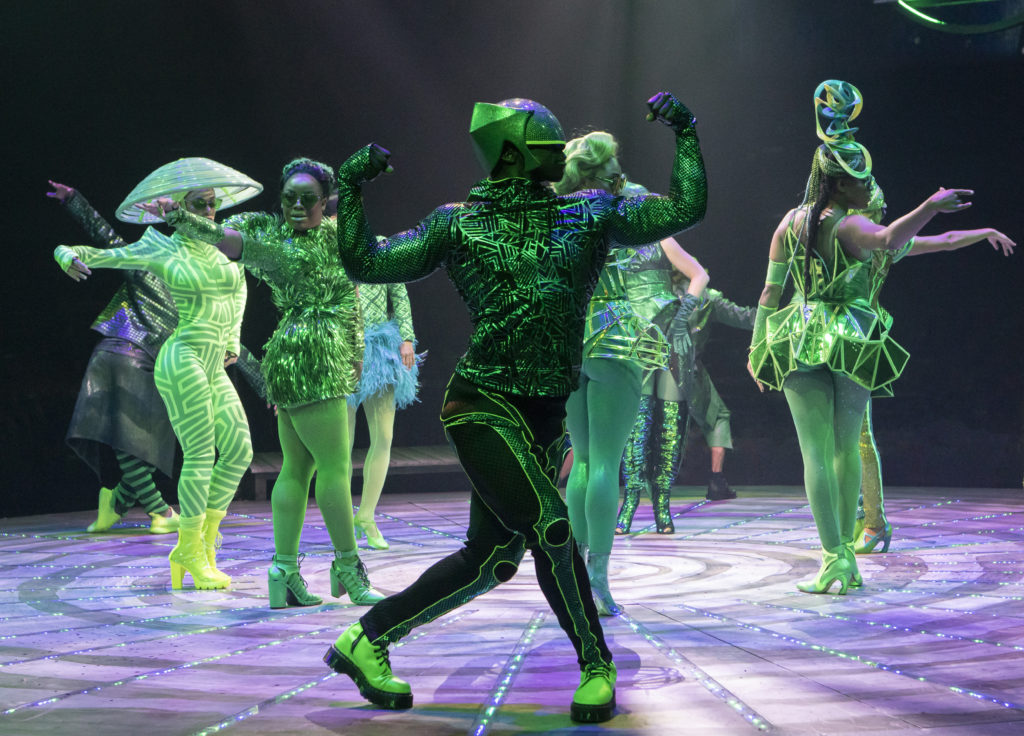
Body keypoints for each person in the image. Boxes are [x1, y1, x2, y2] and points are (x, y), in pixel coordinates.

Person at [325, 91, 707, 724]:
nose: (563, 152)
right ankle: (596, 665)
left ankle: (365, 641)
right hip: (481, 404)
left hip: (544, 416)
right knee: (552, 527)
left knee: (493, 559)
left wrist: (686, 133)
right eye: (549, 142)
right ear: (514, 154)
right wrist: (351, 188)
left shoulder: (589, 212)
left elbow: (686, 209)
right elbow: (366, 262)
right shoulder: (459, 222)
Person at [748, 80, 977, 594]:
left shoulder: (790, 222)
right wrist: (931, 204)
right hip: (849, 336)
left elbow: (769, 294)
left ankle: (835, 555)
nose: (869, 186)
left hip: (799, 334)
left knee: (818, 452)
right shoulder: (850, 227)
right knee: (845, 448)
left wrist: (757, 347)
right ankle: (843, 555)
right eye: (861, 181)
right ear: (838, 186)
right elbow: (892, 238)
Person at [148, 158, 383, 609]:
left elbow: (353, 296)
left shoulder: (325, 235)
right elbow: (225, 237)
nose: (296, 206)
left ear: (324, 202)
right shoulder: (285, 245)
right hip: (315, 353)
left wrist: (356, 354)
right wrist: (182, 217)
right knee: (334, 468)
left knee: (298, 467)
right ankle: (349, 571)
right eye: (289, 198)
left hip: (291, 355)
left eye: (307, 199)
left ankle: (285, 572)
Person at [54, 158, 260, 590]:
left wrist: (231, 340)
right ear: (177, 209)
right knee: (201, 453)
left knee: (239, 450)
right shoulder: (161, 248)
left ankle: (202, 541)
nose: (208, 212)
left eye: (212, 205)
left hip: (212, 359)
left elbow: (239, 293)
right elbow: (105, 253)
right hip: (181, 356)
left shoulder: (225, 247)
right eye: (200, 205)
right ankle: (189, 546)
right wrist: (65, 254)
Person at [553, 130, 708, 615]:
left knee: (580, 459)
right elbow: (686, 209)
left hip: (568, 336)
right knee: (604, 464)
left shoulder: (555, 209)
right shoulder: (628, 202)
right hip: (615, 334)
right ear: (609, 167)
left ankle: (574, 576)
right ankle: (597, 582)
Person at [847, 184, 1016, 554]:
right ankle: (860, 518)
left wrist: (983, 230)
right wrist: (985, 231)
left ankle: (873, 522)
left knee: (857, 435)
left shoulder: (880, 245)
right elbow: (948, 239)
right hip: (842, 336)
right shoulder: (863, 242)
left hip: (854, 338)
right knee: (845, 437)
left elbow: (947, 238)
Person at [619, 270, 755, 532]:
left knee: (672, 431)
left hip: (683, 367)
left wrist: (775, 314)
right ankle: (633, 502)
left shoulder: (704, 296)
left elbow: (742, 315)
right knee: (639, 431)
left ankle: (662, 505)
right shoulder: (649, 284)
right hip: (649, 356)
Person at [346, 279, 421, 550]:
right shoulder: (333, 251)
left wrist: (407, 338)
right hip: (343, 349)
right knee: (343, 444)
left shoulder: (379, 250)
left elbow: (400, 296)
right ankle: (343, 520)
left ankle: (366, 515)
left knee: (384, 437)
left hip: (379, 347)